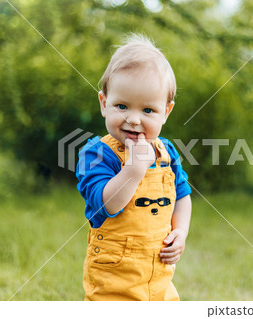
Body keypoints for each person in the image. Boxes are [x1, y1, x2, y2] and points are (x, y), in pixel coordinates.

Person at [76, 34, 192, 301]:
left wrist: (180, 231)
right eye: (122, 106)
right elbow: (108, 205)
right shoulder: (97, 154)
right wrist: (133, 169)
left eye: (148, 110)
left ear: (166, 111)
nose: (134, 119)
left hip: (159, 277)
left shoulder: (167, 152)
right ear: (104, 104)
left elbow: (183, 196)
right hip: (114, 278)